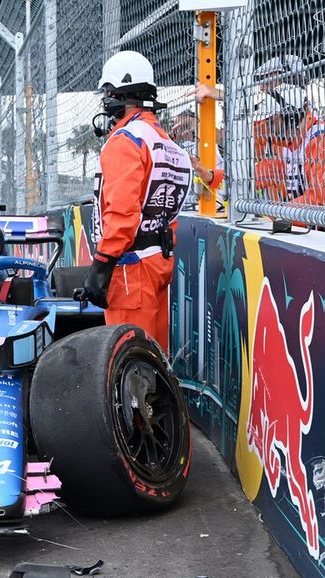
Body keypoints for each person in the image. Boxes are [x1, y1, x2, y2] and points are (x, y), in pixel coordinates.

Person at [76, 50, 192, 352]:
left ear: (117, 96)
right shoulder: (163, 140)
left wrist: (101, 266)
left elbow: (122, 213)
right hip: (157, 259)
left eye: (108, 94)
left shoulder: (125, 141)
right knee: (153, 355)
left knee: (127, 359)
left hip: (129, 268)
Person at [252, 84, 325, 211]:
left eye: (270, 121)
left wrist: (279, 214)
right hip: (307, 219)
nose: (268, 128)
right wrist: (234, 182)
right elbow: (264, 172)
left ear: (291, 116)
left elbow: (320, 199)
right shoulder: (291, 144)